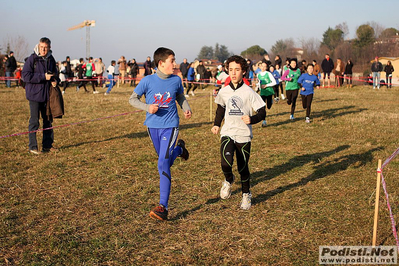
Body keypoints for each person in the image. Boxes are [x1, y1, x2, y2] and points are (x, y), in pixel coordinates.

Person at [129, 47, 192, 221]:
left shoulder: (176, 80)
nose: (175, 64)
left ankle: (162, 206)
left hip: (170, 126)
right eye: (172, 60)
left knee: (162, 162)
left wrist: (186, 108)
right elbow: (132, 99)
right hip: (152, 127)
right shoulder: (147, 81)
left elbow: (180, 97)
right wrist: (147, 107)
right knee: (164, 161)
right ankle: (180, 151)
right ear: (161, 63)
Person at [211, 55, 266, 210]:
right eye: (230, 70)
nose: (233, 73)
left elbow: (262, 112)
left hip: (243, 135)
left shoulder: (249, 92)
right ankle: (229, 180)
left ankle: (246, 194)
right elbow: (220, 108)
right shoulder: (224, 90)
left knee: (243, 167)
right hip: (228, 132)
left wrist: (252, 119)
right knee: (225, 163)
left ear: (243, 72)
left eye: (237, 70)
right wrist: (216, 124)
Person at [22, 37, 59, 154]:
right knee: (34, 121)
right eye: (41, 47)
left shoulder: (51, 59)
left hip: (47, 95)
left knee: (48, 121)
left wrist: (55, 80)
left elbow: (55, 73)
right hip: (34, 95)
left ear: (49, 48)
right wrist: (43, 77)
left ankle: (47, 145)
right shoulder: (32, 59)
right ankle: (33, 147)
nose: (43, 50)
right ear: (38, 46)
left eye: (45, 48)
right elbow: (26, 76)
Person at [257, 62, 276, 127]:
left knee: (269, 106)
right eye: (262, 66)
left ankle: (271, 101)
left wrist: (266, 85)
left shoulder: (268, 74)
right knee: (263, 107)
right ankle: (264, 121)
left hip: (269, 92)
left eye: (265, 66)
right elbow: (259, 83)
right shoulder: (258, 75)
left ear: (267, 67)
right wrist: (258, 87)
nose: (263, 68)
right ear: (260, 66)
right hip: (262, 92)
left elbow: (274, 82)